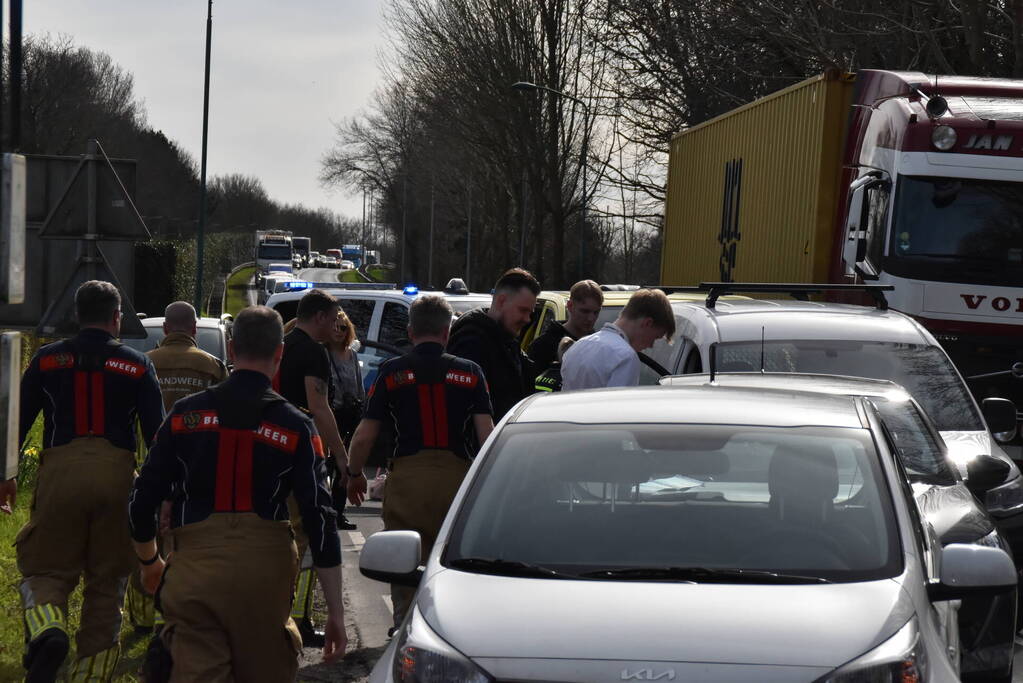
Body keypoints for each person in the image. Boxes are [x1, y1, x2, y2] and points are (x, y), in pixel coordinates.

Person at [128, 306, 347, 681]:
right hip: (265, 580)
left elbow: (143, 498)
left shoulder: (184, 416)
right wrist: (337, 615)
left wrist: (150, 563)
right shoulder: (297, 426)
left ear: (230, 349)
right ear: (279, 353)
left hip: (196, 576)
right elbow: (320, 519)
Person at [0, 280, 165, 682]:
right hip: (117, 477)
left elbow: (14, 422)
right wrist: (160, 496)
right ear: (116, 317)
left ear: (76, 315)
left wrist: (6, 477)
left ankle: (47, 630)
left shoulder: (46, 360)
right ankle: (90, 676)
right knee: (107, 583)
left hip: (60, 472)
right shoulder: (138, 365)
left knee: (47, 571)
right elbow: (157, 437)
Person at [347, 295, 494, 633]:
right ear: (447, 332)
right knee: (451, 560)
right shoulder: (470, 372)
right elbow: (486, 434)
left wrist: (354, 474)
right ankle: (449, 628)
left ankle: (405, 627)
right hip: (457, 480)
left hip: (407, 480)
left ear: (411, 332)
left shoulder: (391, 371)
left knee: (404, 559)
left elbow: (365, 435)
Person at [126, 301, 228, 636]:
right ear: (194, 329)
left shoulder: (144, 364)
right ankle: (170, 619)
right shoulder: (213, 367)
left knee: (145, 544)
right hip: (194, 475)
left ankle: (142, 620)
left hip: (146, 470)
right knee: (182, 549)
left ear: (167, 329)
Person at [274, 289, 350, 647]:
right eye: (334, 317)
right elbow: (318, 407)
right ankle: (297, 619)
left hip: (266, 451)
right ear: (319, 316)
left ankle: (269, 611)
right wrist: (342, 455)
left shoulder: (281, 344)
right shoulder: (312, 352)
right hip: (301, 455)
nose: (337, 324)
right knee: (305, 538)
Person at [448, 268, 539, 419]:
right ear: (501, 301)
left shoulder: (507, 342)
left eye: (530, 313)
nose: (527, 319)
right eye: (523, 310)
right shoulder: (471, 344)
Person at [561, 288, 675, 391]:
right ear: (647, 323)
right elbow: (619, 409)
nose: (651, 345)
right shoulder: (625, 357)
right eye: (655, 337)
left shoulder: (578, 346)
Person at [326, 309, 364, 528]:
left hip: (350, 415)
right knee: (328, 465)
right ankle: (325, 511)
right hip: (331, 414)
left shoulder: (352, 354)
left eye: (343, 327)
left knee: (345, 468)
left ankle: (338, 513)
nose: (338, 332)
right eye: (334, 327)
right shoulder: (323, 353)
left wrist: (360, 407)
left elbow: (359, 384)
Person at [527, 279, 602, 376]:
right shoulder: (543, 346)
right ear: (570, 306)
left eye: (596, 312)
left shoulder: (599, 345)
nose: (591, 318)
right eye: (585, 311)